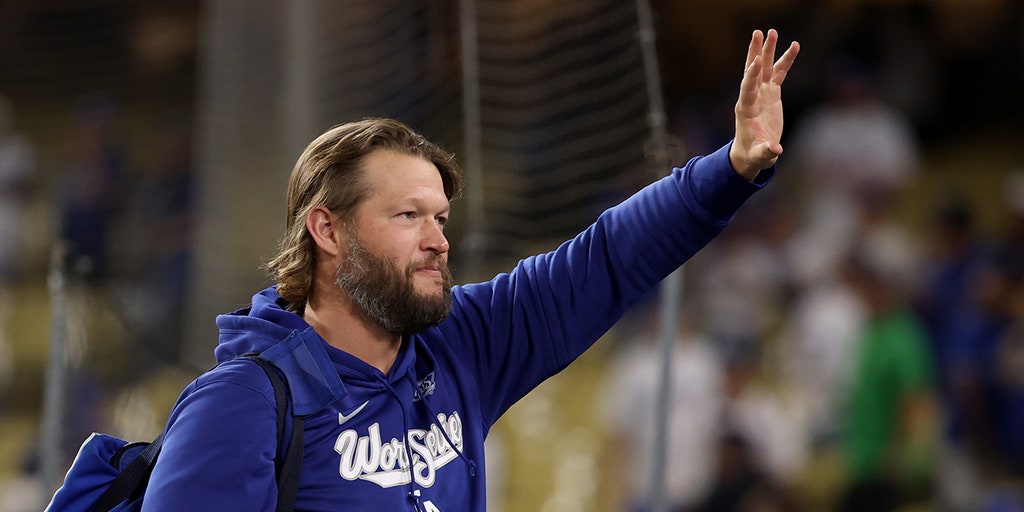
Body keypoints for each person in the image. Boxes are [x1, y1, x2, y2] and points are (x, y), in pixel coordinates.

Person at [141, 29, 800, 511]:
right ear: (327, 230)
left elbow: (604, 259)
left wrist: (734, 166)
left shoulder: (464, 345)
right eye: (408, 217)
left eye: (442, 220)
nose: (437, 241)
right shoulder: (245, 402)